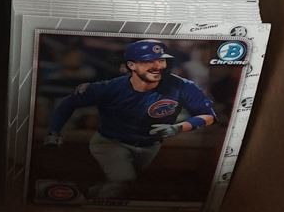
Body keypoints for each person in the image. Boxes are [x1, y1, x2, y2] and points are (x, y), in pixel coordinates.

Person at [44, 39, 216, 200]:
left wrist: (178, 128)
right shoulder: (112, 87)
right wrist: (54, 132)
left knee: (126, 185)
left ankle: (89, 196)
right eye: (149, 61)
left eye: (161, 61)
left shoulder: (182, 86)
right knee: (123, 181)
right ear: (131, 65)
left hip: (150, 146)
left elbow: (208, 116)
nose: (157, 66)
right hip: (111, 142)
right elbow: (68, 103)